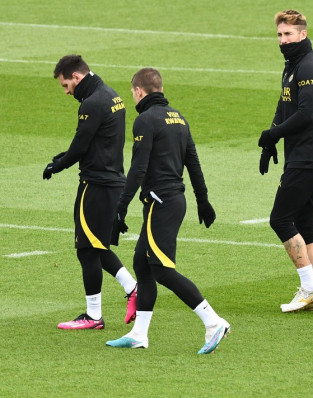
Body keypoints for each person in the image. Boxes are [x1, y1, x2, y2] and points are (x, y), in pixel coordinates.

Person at [106, 68, 228, 354]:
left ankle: (213, 322)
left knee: (161, 269)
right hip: (174, 201)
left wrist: (120, 207)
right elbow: (193, 162)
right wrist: (203, 200)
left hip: (161, 203)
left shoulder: (145, 120)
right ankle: (139, 333)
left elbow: (138, 168)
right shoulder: (179, 118)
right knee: (142, 263)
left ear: (138, 91)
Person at [44, 54, 138, 330]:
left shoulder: (92, 103)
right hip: (113, 181)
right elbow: (94, 141)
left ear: (76, 77)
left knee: (86, 249)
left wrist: (57, 165)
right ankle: (133, 288)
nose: (66, 92)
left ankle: (93, 315)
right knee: (98, 246)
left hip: (96, 185)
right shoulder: (110, 94)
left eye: (65, 85)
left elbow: (81, 145)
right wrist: (64, 155)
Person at [258, 9, 313, 313]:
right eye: (279, 34)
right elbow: (284, 104)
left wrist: (272, 133)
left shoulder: (311, 65)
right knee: (306, 225)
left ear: (302, 33)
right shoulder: (292, 65)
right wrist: (272, 139)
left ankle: (309, 288)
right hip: (303, 157)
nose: (282, 40)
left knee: (280, 219)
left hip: (309, 157)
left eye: (288, 34)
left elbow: (306, 113)